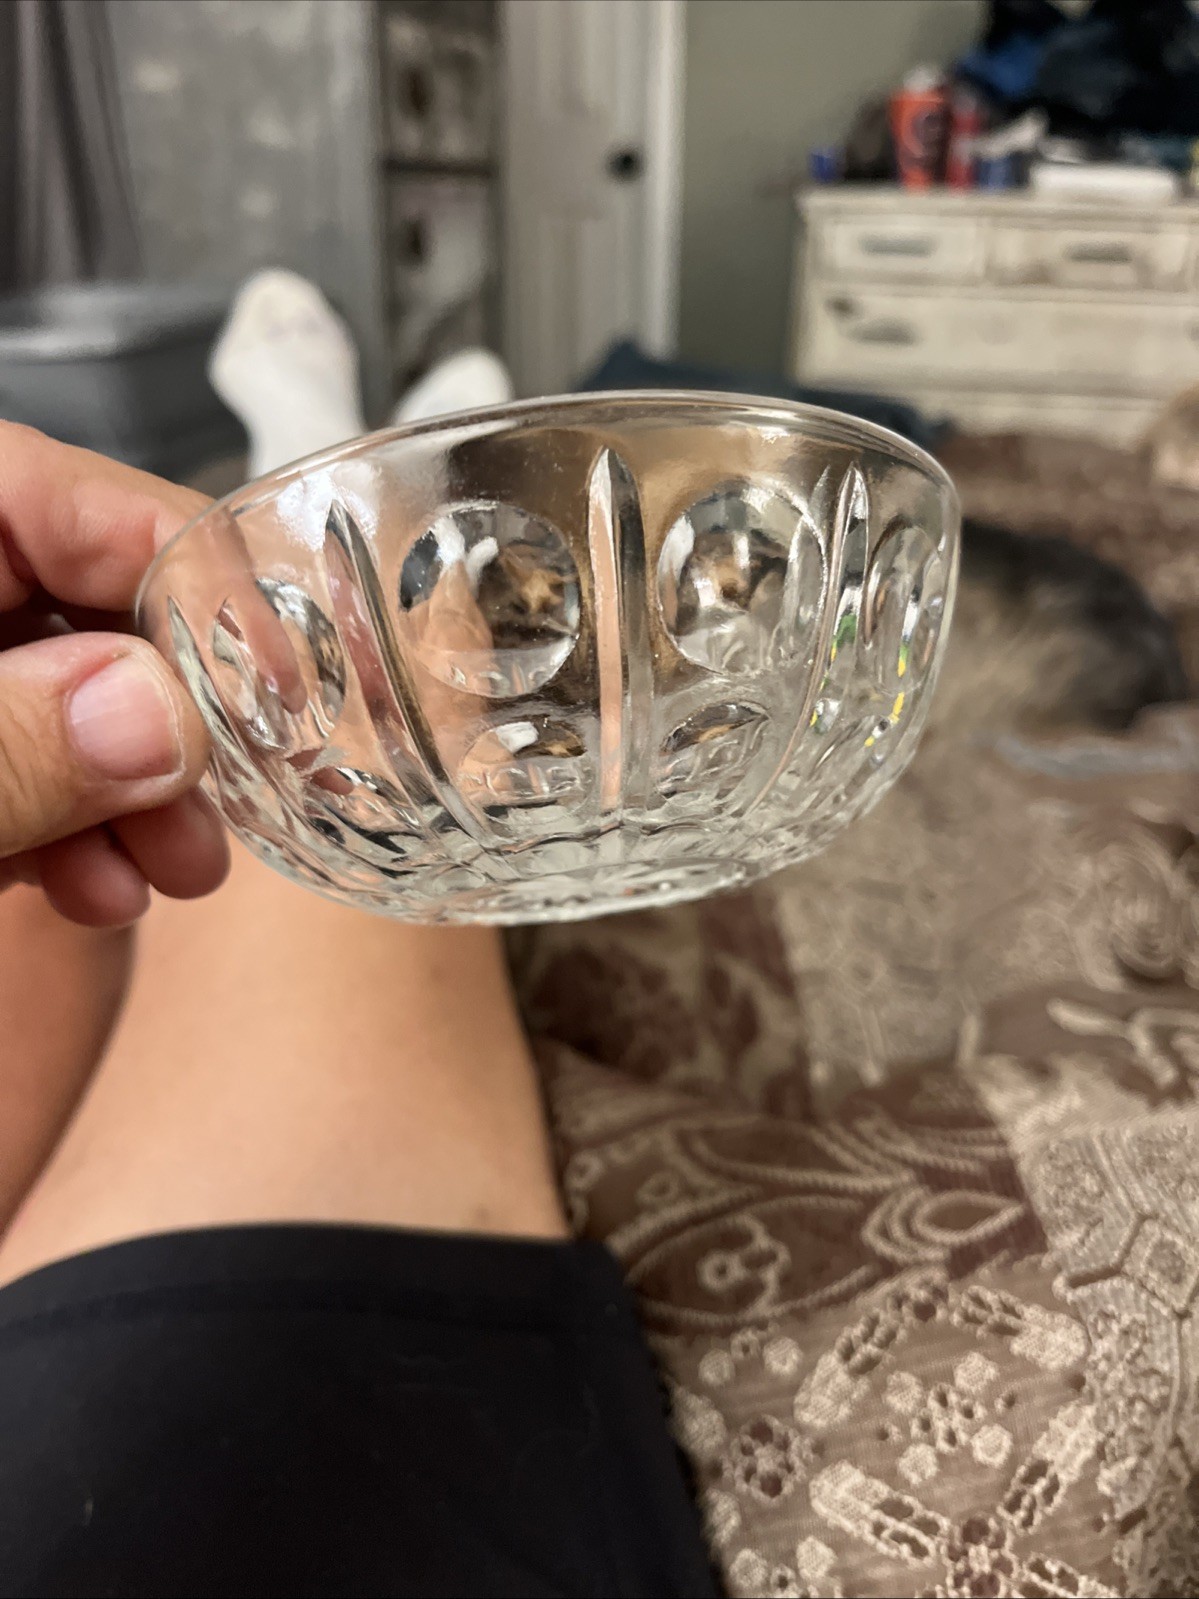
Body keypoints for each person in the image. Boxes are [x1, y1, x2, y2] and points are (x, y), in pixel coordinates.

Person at [0, 422, 716, 1597]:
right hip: (312, 1449)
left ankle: (308, 495)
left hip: (100, 1450)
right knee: (358, 715)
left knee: (45, 898)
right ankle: (345, 499)